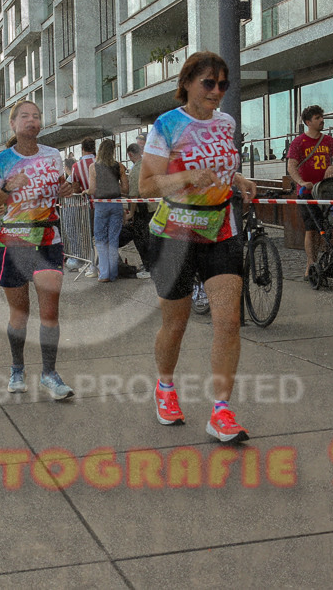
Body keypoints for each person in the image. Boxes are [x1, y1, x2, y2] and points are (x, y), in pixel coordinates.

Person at [139, 51, 258, 443]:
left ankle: (221, 412)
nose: (217, 91)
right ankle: (165, 387)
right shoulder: (167, 125)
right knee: (176, 323)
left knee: (228, 322)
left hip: (220, 229)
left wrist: (235, 178)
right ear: (187, 82)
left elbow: (217, 166)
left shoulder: (226, 123)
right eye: (209, 82)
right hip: (173, 235)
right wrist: (187, 177)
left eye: (223, 84)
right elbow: (146, 186)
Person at [0, 100, 75, 400]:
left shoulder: (52, 155)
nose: (31, 120)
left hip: (48, 240)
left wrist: (67, 189)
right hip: (13, 242)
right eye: (24, 116)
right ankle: (17, 368)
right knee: (19, 314)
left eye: (36, 116)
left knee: (50, 313)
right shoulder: (1, 161)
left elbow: (62, 186)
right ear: (13, 124)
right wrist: (7, 188)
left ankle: (50, 374)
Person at [287, 105, 333, 278]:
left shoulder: (328, 140)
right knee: (311, 228)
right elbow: (291, 166)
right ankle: (310, 264)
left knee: (325, 227)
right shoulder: (298, 142)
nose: (322, 120)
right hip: (306, 192)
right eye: (317, 118)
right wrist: (302, 182)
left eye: (321, 117)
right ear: (308, 122)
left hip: (325, 191)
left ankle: (323, 261)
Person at [85, 139, 128, 282]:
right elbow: (125, 189)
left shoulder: (93, 167)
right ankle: (113, 274)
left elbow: (92, 190)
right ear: (113, 151)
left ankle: (104, 274)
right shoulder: (119, 166)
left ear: (100, 150)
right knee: (113, 239)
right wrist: (115, 187)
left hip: (101, 205)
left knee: (100, 239)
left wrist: (85, 191)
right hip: (116, 204)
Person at [70, 137, 98, 278]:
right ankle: (108, 265)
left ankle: (93, 266)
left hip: (88, 205)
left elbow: (75, 188)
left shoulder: (76, 166)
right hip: (105, 203)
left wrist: (82, 189)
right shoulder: (100, 162)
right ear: (94, 148)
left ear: (82, 149)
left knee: (90, 237)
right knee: (104, 237)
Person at [125, 143, 153, 279]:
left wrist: (131, 213)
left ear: (130, 154)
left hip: (143, 209)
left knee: (141, 239)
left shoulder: (136, 169)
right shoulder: (149, 164)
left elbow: (134, 195)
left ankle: (148, 268)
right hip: (154, 208)